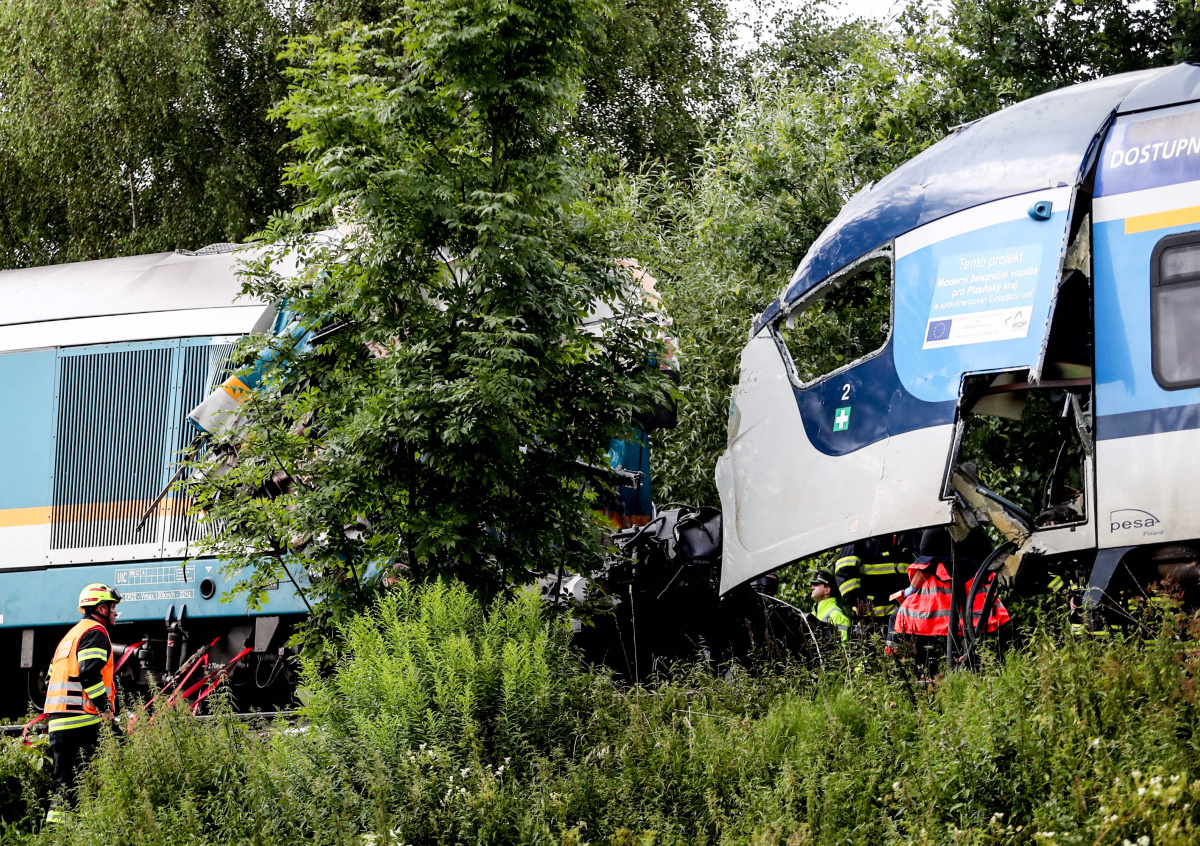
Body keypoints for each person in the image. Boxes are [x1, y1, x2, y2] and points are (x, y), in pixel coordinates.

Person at [43, 584, 122, 823]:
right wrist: (105, 710)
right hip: (83, 721)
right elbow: (88, 674)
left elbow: (49, 678)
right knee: (113, 766)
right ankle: (99, 825)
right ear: (101, 608)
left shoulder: (70, 636)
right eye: (112, 607)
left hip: (59, 723)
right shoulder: (96, 632)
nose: (115, 612)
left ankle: (57, 833)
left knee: (65, 786)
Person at [893, 528, 1009, 674]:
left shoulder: (933, 533)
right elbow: (988, 561)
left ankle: (922, 673)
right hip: (977, 609)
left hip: (935, 612)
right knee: (980, 646)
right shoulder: (976, 533)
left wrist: (910, 590)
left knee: (900, 619)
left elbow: (923, 567)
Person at [810, 570, 852, 642]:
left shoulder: (836, 616)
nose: (812, 588)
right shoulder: (813, 614)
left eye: (816, 585)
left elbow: (842, 646)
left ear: (827, 590)